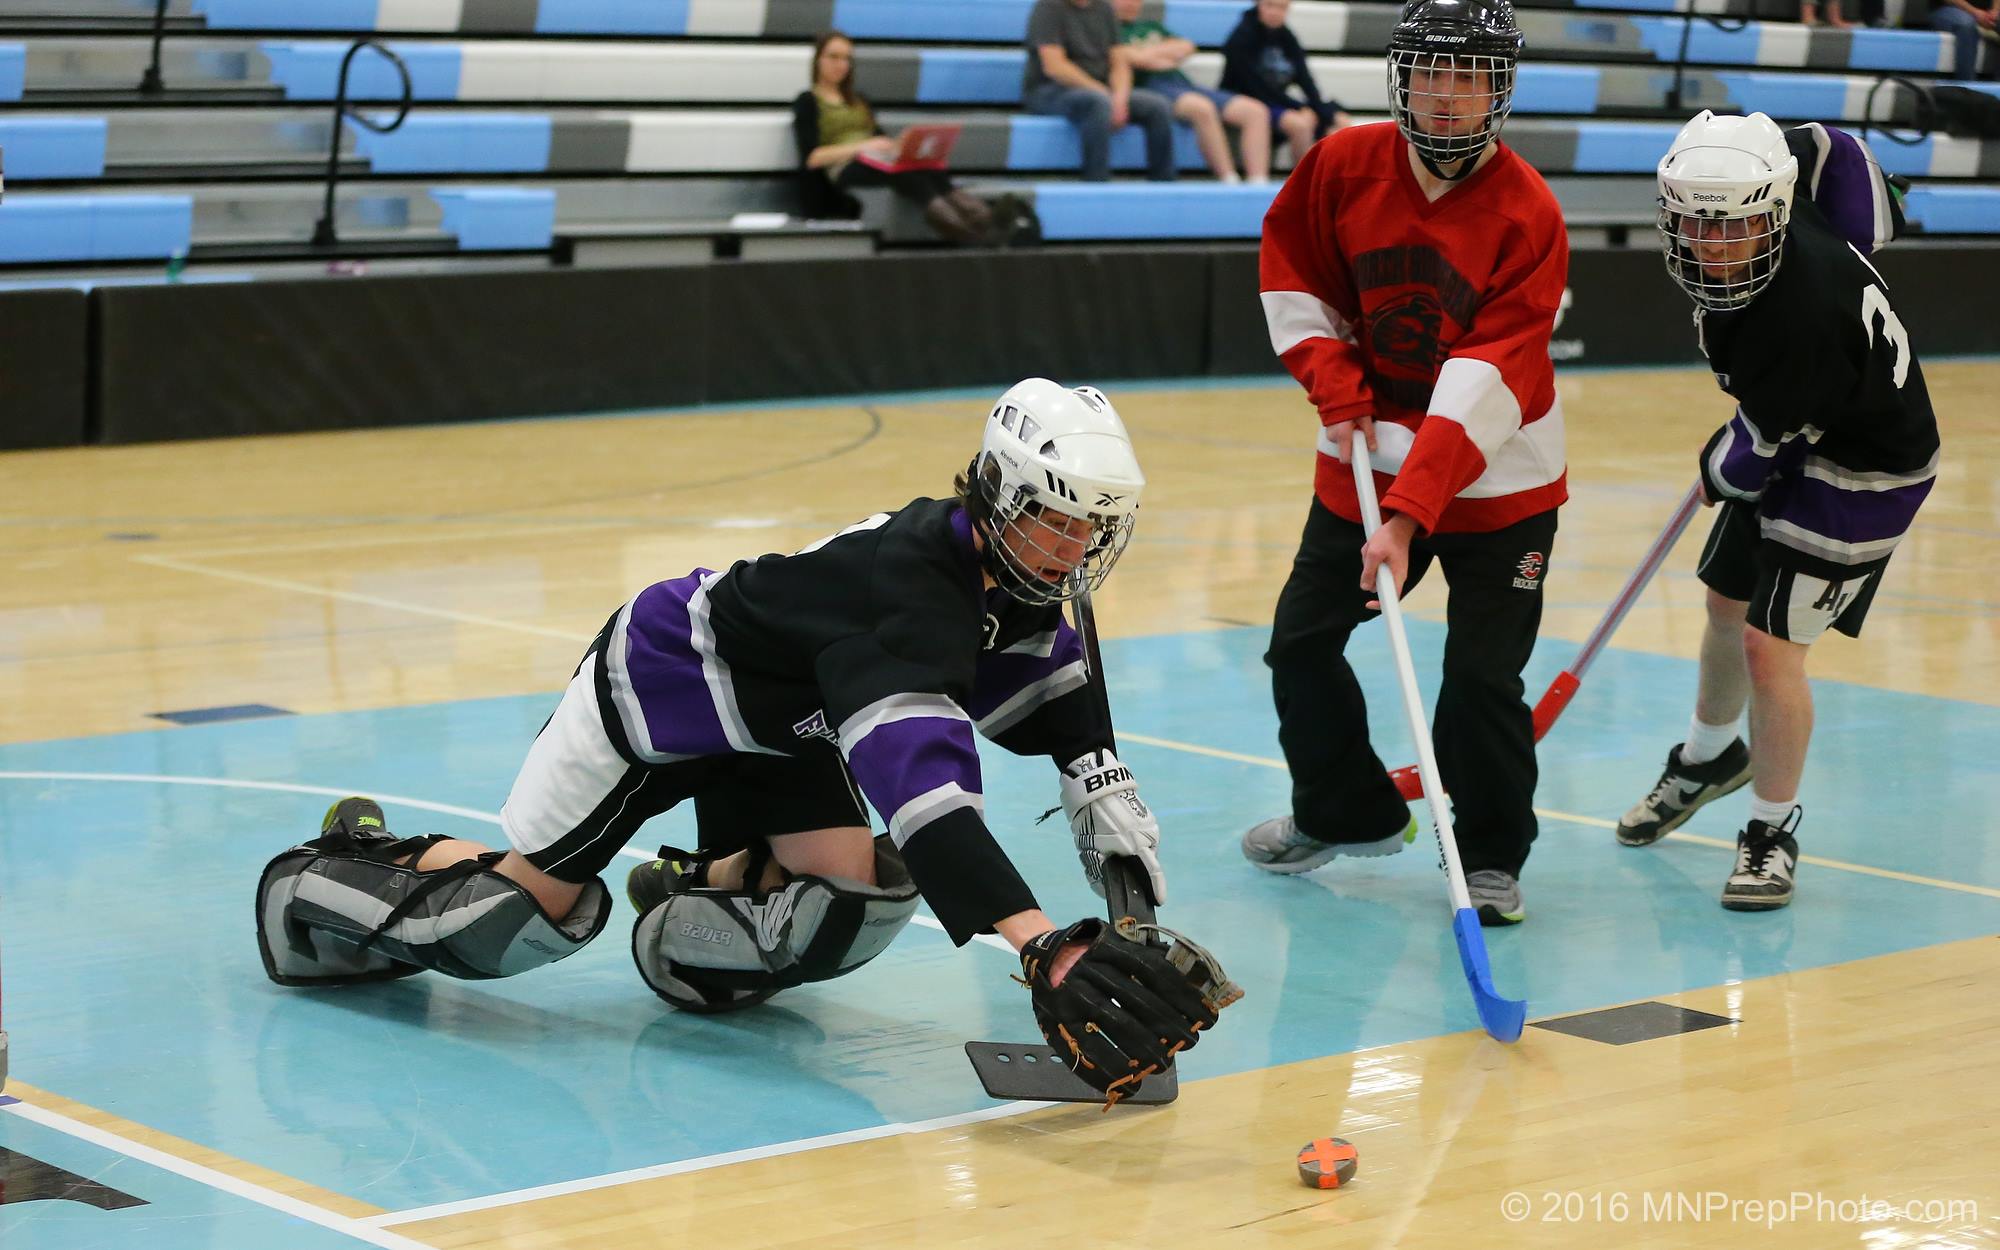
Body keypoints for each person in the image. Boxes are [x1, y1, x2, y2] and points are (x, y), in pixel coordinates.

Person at [253, 379, 1234, 1105]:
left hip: (775, 722)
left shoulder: (1008, 582)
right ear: (1000, 496)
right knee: (508, 923)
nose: (1072, 549)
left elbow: (1056, 691)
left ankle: (692, 907)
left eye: (1090, 529)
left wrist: (1096, 780)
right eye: (1054, 524)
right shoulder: (907, 596)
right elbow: (928, 802)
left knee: (856, 901)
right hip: (663, 689)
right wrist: (1043, 946)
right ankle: (324, 876)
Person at [1243, 0, 1568, 928]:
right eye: (1433, 73)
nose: (1450, 96)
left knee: (1479, 680)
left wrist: (1409, 513)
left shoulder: (1528, 213)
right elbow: (1293, 277)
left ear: (1499, 92)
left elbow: (1484, 384)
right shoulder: (1342, 164)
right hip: (1361, 460)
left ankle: (1495, 852)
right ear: (1404, 80)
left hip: (1498, 483)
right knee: (1301, 645)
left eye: (1472, 78)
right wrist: (1333, 385)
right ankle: (1345, 812)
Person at [1618, 111, 1939, 912]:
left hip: (1868, 465)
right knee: (1726, 598)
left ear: (1776, 210)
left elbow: (1752, 447)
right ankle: (1707, 757)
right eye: (1693, 222)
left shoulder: (1796, 310)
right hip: (1804, 417)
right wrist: (1869, 215)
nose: (1712, 243)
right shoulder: (1763, 166)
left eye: (1735, 227)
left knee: (1772, 645)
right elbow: (1830, 143)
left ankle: (1771, 830)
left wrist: (1718, 470)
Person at [792, 30, 992, 243]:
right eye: (834, 57)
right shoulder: (808, 101)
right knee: (905, 175)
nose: (841, 65)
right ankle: (968, 233)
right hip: (844, 167)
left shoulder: (859, 100)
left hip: (873, 159)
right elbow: (812, 157)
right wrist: (863, 146)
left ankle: (984, 220)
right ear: (817, 60)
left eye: (846, 59)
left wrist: (901, 144)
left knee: (929, 167)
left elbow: (879, 137)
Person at [1114, 0, 1273, 182]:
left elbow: (1186, 46)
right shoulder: (1110, 30)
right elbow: (1125, 57)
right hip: (1151, 87)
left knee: (1255, 111)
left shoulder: (1150, 25)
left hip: (1182, 84)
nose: (1130, 4)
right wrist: (1161, 55)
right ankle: (1229, 180)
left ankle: (1259, 183)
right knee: (1201, 108)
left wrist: (1145, 56)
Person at [1022, 0, 1179, 182]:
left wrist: (1120, 98)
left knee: (1157, 106)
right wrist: (1104, 93)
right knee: (1097, 103)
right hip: (1049, 90)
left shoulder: (1104, 8)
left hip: (1101, 90)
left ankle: (1163, 181)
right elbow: (1055, 67)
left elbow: (1119, 62)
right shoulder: (1048, 8)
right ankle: (1096, 180)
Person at [1220, 0, 1353, 164]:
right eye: (1270, 5)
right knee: (1300, 125)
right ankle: (1304, 182)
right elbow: (1254, 87)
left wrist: (1322, 110)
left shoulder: (1286, 36)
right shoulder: (1241, 37)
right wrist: (1298, 108)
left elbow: (1305, 78)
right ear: (1258, 4)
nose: (1275, 12)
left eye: (1281, 7)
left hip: (1278, 101)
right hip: (1248, 99)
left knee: (1339, 120)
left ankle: (1334, 178)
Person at [1928, 0, 1997, 80]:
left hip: (1985, 13)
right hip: (1948, 9)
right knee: (1966, 24)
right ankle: (1966, 85)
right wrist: (1975, 13)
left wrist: (1995, 12)